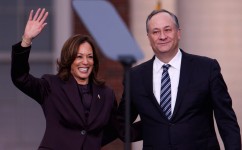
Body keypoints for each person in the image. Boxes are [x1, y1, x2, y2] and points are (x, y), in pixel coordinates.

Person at [116, 9, 241, 150]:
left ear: (178, 33)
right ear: (149, 37)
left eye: (167, 30)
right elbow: (121, 122)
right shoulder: (135, 77)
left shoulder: (207, 68)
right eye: (155, 32)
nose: (162, 36)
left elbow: (226, 121)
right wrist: (153, 129)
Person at [11, 8, 117, 150]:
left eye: (89, 56)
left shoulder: (106, 94)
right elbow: (20, 77)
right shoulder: (51, 86)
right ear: (69, 59)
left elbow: (116, 128)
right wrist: (26, 40)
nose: (85, 62)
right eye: (79, 56)